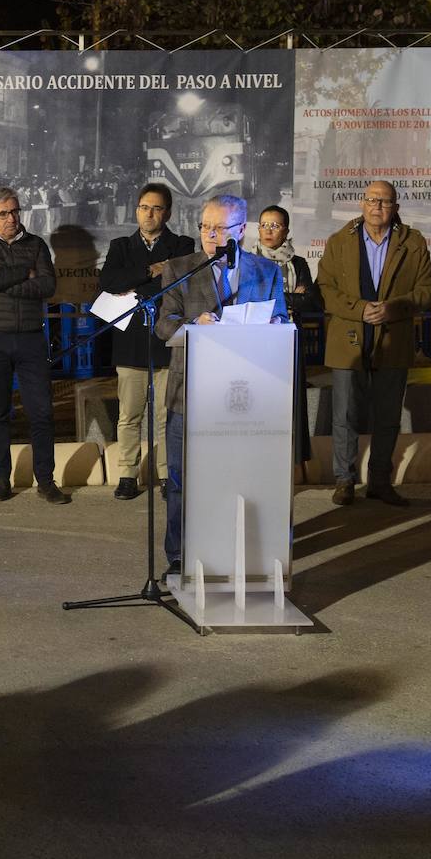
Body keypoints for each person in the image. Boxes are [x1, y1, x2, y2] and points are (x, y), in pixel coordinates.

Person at [154, 194, 288, 579]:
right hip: (190, 393)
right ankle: (179, 554)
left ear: (240, 231)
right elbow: (164, 324)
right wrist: (196, 326)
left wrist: (272, 327)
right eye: (205, 227)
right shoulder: (179, 268)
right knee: (181, 480)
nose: (210, 235)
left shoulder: (265, 271)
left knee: (240, 478)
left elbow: (279, 317)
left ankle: (240, 549)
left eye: (219, 228)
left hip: (245, 395)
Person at [318, 181, 431, 507]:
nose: (378, 207)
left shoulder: (412, 243)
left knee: (387, 416)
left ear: (395, 207)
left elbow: (428, 290)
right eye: (372, 200)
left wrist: (394, 308)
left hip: (393, 340)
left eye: (385, 201)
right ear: (362, 204)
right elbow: (325, 288)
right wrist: (359, 309)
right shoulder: (340, 241)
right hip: (347, 341)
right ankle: (344, 480)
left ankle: (380, 481)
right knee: (344, 415)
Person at [0, 184, 68, 504]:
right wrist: (25, 273)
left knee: (42, 413)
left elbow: (47, 285)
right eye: (4, 213)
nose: (12, 218)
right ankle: (1, 481)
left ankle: (46, 481)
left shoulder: (36, 244)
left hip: (31, 339)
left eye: (15, 211)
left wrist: (7, 280)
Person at [98, 182, 195, 500]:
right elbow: (111, 282)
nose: (148, 213)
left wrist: (139, 280)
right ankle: (127, 474)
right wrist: (151, 270)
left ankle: (169, 474)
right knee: (130, 413)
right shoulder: (120, 246)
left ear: (167, 213)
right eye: (143, 207)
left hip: (167, 340)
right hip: (130, 340)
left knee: (167, 413)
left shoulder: (183, 244)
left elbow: (181, 285)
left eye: (156, 208)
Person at [253, 205, 323, 465]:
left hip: (289, 341)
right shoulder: (248, 260)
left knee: (290, 403)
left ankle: (290, 460)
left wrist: (278, 299)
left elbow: (311, 301)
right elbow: (248, 299)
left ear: (286, 230)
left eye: (275, 226)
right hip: (256, 342)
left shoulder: (298, 263)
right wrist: (292, 297)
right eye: (264, 225)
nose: (268, 231)